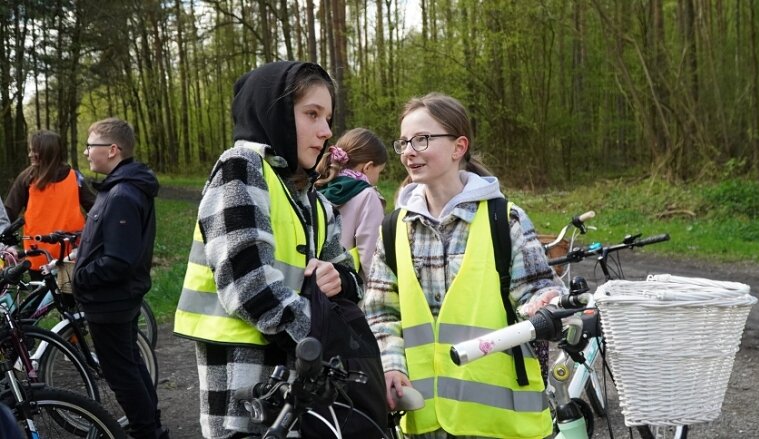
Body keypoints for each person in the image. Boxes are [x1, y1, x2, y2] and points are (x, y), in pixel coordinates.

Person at [174, 61, 384, 438]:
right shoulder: (241, 167)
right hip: (245, 394)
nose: (326, 131)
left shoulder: (314, 200)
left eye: (328, 117)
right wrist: (327, 343)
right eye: (312, 114)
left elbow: (354, 284)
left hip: (302, 393)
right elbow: (249, 286)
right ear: (274, 113)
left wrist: (339, 280)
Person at [363, 93, 567, 438]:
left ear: (459, 147)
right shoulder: (393, 228)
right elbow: (381, 312)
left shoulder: (506, 219)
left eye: (422, 139)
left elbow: (537, 290)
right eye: (404, 142)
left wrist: (546, 302)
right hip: (426, 422)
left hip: (504, 424)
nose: (409, 151)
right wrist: (391, 366)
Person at [71, 118, 167, 439]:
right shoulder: (117, 188)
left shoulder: (122, 194)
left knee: (122, 374)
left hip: (110, 302)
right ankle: (151, 426)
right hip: (116, 299)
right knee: (131, 366)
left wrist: (81, 277)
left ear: (112, 150)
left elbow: (119, 260)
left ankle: (146, 432)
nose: (86, 152)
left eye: (91, 145)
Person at [4, 130, 95, 273]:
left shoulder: (75, 177)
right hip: (38, 255)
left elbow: (95, 209)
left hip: (71, 255)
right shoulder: (28, 178)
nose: (29, 155)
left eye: (34, 151)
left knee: (69, 295)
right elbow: (8, 213)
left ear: (46, 151)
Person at [315, 128, 388, 281]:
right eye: (379, 172)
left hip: (316, 284)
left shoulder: (318, 186)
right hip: (348, 288)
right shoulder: (367, 196)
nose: (378, 178)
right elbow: (371, 258)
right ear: (367, 167)